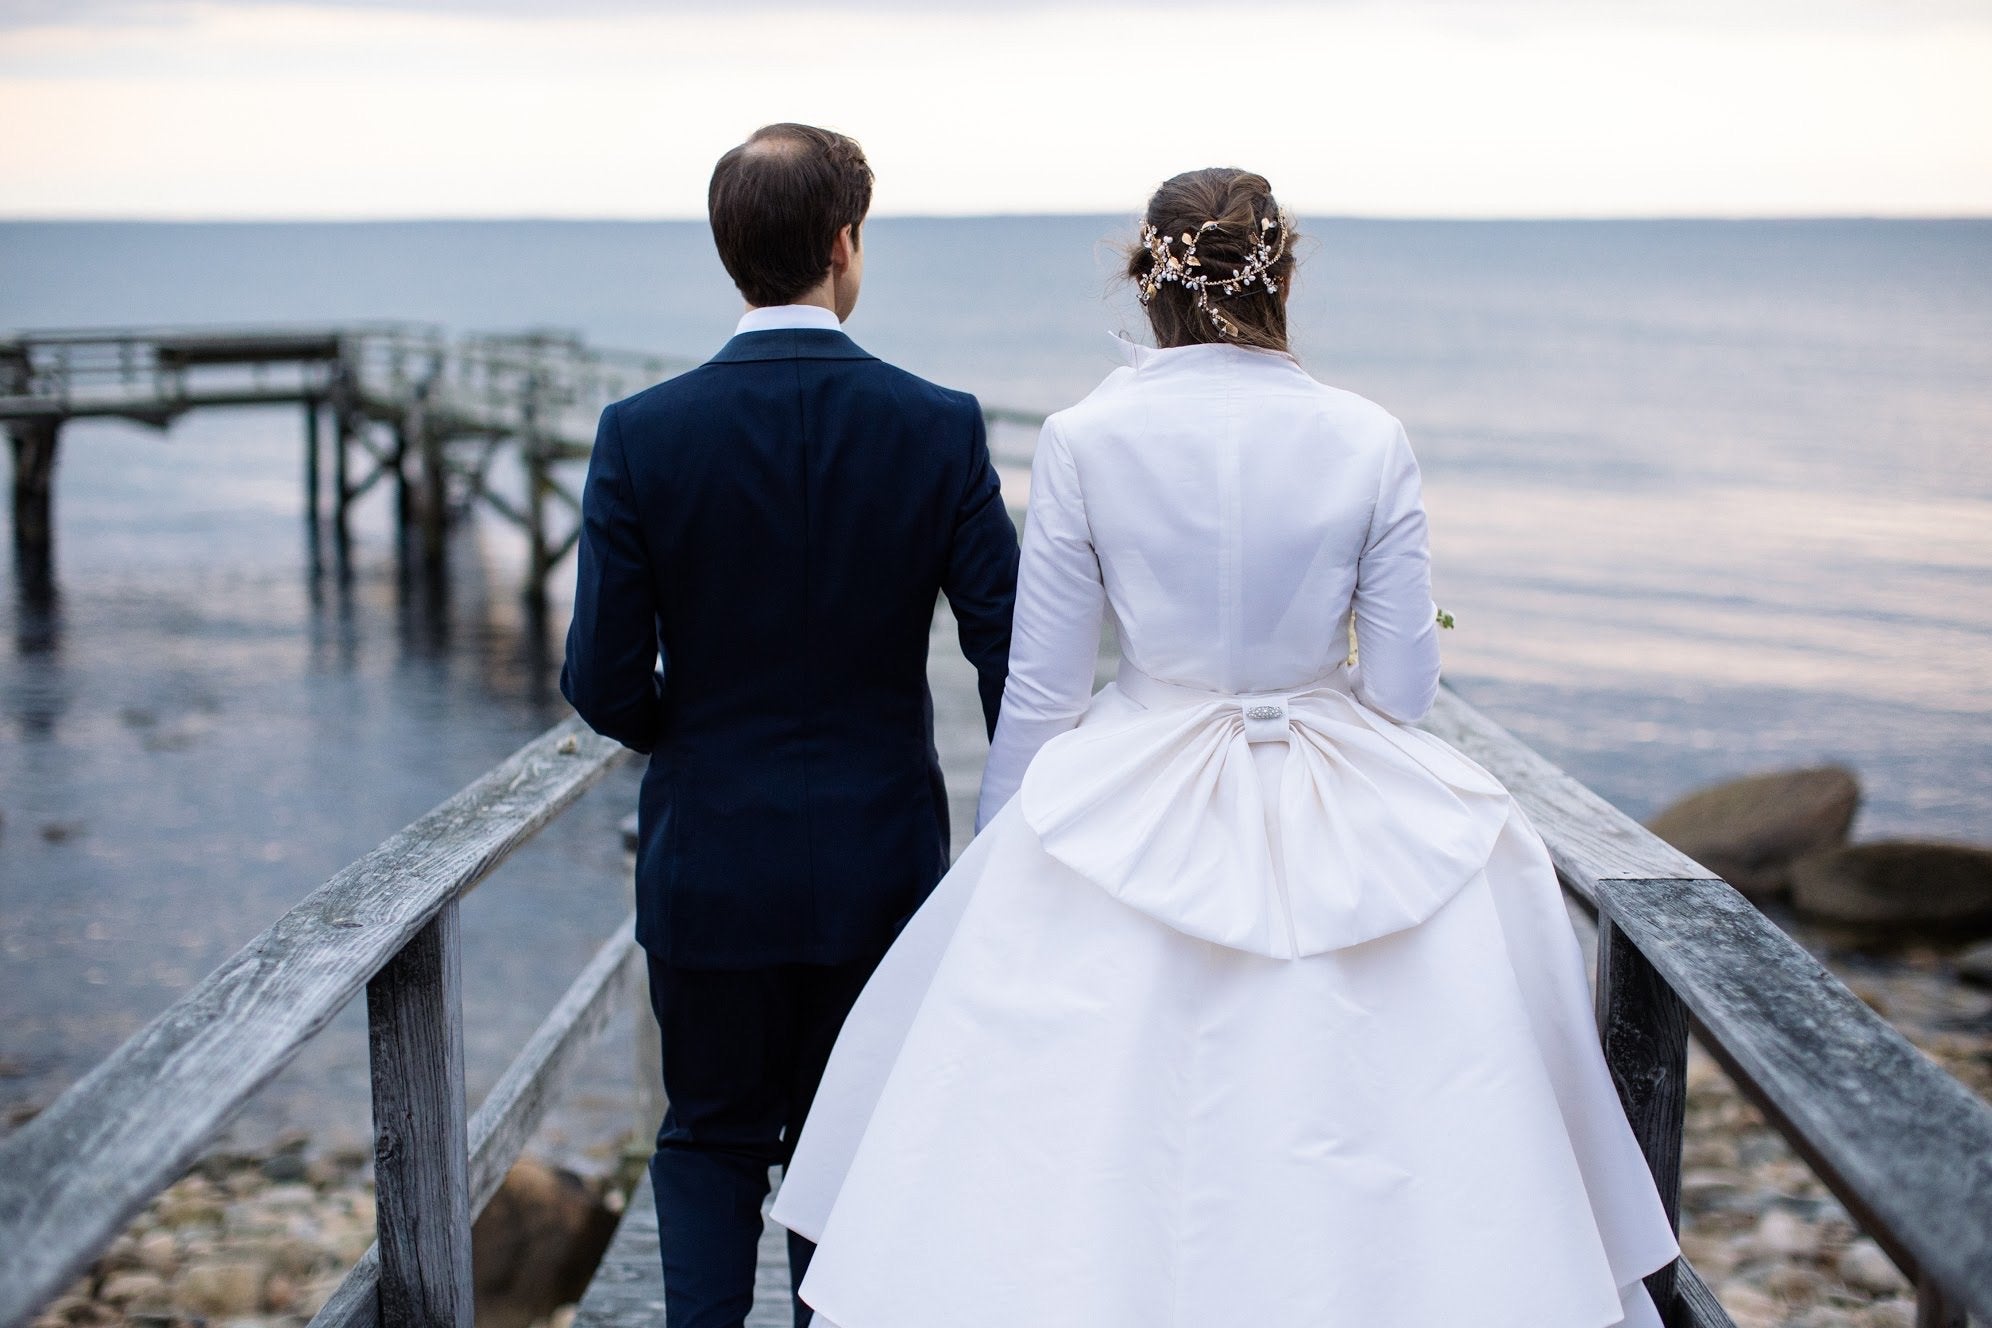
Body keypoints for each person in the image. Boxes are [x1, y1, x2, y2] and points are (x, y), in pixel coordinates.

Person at [772, 167, 1682, 1327]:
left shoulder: (1086, 435)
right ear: (1282, 272)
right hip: (1330, 767)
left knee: (1092, 1131)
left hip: (1134, 772)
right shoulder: (1368, 435)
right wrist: (1318, 667)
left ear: (1148, 280)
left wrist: (1007, 866)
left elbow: (1044, 692)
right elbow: (1403, 689)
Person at [559, 122, 1020, 1328]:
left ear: (731, 254)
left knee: (709, 1135)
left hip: (709, 855)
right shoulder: (939, 425)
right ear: (843, 244)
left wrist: (693, 732)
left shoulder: (642, 433)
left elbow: (602, 681)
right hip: (883, 862)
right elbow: (1013, 660)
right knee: (853, 1140)